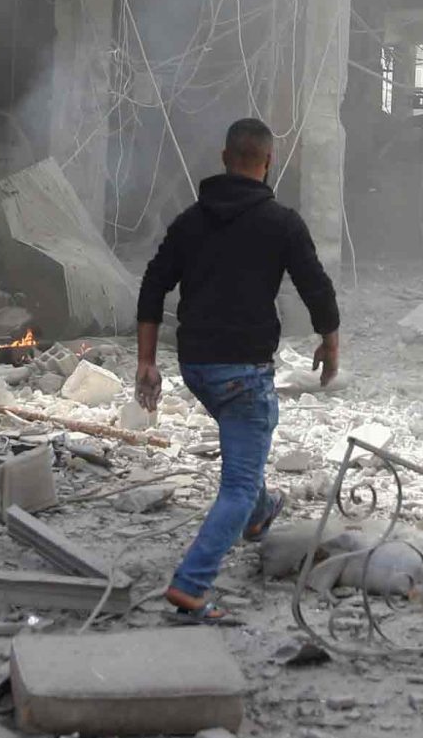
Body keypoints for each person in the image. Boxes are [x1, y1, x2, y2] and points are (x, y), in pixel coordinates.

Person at [134, 117, 339, 623]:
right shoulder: (282, 223)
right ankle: (191, 586)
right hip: (244, 373)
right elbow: (315, 285)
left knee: (245, 447)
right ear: (268, 163)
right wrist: (330, 343)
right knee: (239, 485)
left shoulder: (189, 221)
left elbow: (153, 284)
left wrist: (146, 361)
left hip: (197, 368)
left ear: (225, 159)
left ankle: (260, 515)